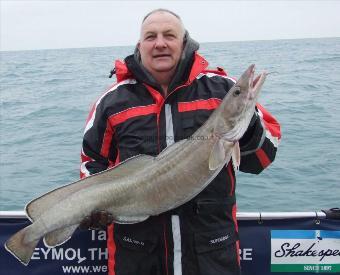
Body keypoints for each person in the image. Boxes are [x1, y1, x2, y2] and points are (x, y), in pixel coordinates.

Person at [80, 8, 281, 275]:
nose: (160, 43)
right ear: (140, 45)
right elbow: (91, 163)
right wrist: (93, 207)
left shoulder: (222, 89)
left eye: (169, 35)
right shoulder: (112, 101)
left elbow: (262, 160)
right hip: (137, 255)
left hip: (211, 255)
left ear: (184, 41)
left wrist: (244, 122)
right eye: (151, 36)